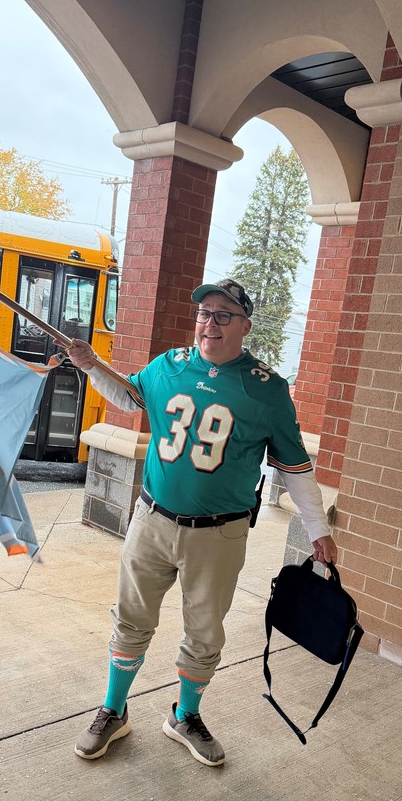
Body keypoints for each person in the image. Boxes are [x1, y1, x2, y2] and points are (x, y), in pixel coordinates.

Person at [67, 278, 337, 767]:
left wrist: (318, 528)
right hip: (152, 520)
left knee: (205, 631)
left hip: (219, 533)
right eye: (204, 314)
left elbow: (295, 467)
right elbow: (129, 397)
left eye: (222, 315)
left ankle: (184, 715)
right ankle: (114, 708)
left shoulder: (267, 391)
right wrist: (92, 367)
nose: (208, 324)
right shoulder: (168, 366)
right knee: (130, 618)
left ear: (244, 326)